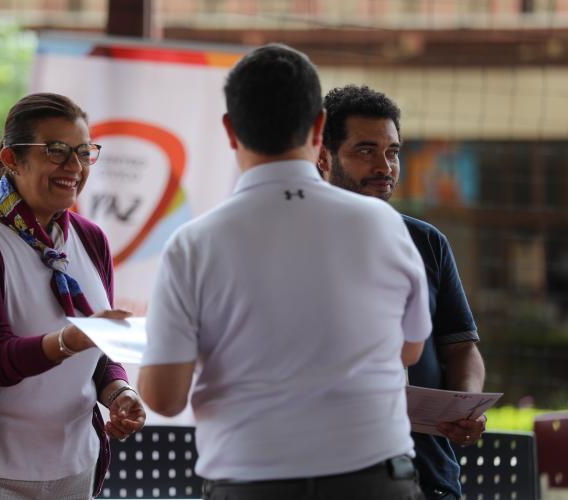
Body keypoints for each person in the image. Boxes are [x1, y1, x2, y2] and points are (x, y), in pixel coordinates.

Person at [137, 44, 431, 500]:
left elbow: (164, 397)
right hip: (375, 481)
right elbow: (410, 350)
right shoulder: (384, 225)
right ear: (318, 128)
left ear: (230, 131)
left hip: (250, 483)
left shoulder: (193, 245)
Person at [0, 93, 146, 500]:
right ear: (11, 159)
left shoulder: (91, 240)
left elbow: (100, 354)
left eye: (83, 152)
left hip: (74, 466)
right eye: (56, 151)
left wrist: (120, 394)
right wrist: (72, 338)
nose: (73, 167)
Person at [318, 84, 486, 500]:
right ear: (323, 156)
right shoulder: (299, 244)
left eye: (392, 152)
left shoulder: (426, 241)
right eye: (365, 150)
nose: (384, 166)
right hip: (332, 473)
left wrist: (466, 405)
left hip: (429, 475)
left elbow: (461, 346)